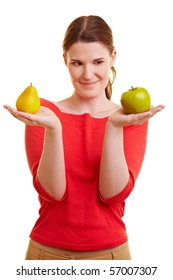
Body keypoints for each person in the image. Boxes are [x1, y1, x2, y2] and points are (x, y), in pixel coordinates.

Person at [3, 15, 164, 260]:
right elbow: (53, 192)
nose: (88, 74)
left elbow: (112, 194)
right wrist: (53, 129)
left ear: (113, 58)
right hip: (45, 254)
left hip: (111, 255)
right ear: (64, 60)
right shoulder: (43, 113)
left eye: (97, 62)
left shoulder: (129, 117)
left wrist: (113, 128)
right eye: (77, 63)